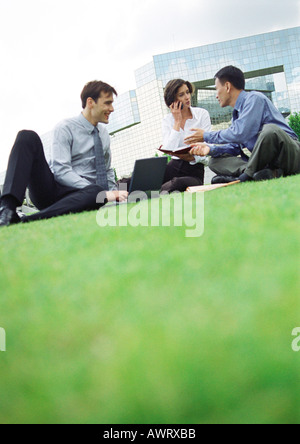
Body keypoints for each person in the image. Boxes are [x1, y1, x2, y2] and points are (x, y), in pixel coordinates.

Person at [0, 81, 128, 227]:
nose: (112, 109)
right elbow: (61, 171)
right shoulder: (65, 128)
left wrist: (114, 195)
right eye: (107, 103)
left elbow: (106, 170)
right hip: (54, 190)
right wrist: (95, 190)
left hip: (83, 198)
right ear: (90, 102)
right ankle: (7, 210)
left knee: (96, 192)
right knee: (27, 136)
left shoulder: (104, 134)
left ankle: (24, 221)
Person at [186, 66, 300, 183]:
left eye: (217, 89)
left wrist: (206, 136)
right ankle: (264, 173)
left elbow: (241, 133)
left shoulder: (255, 99)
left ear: (227, 86)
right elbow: (234, 147)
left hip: (290, 155)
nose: (216, 95)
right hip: (267, 163)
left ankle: (245, 177)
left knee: (270, 130)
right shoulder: (236, 116)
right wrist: (209, 149)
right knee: (214, 161)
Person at [161, 79, 212, 192]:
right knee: (135, 180)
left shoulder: (202, 114)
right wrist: (177, 122)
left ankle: (154, 193)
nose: (187, 97)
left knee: (176, 184)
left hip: (194, 169)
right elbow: (168, 149)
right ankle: (117, 196)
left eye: (187, 92)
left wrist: (193, 157)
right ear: (173, 100)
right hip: (173, 166)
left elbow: (208, 147)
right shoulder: (167, 120)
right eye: (181, 95)